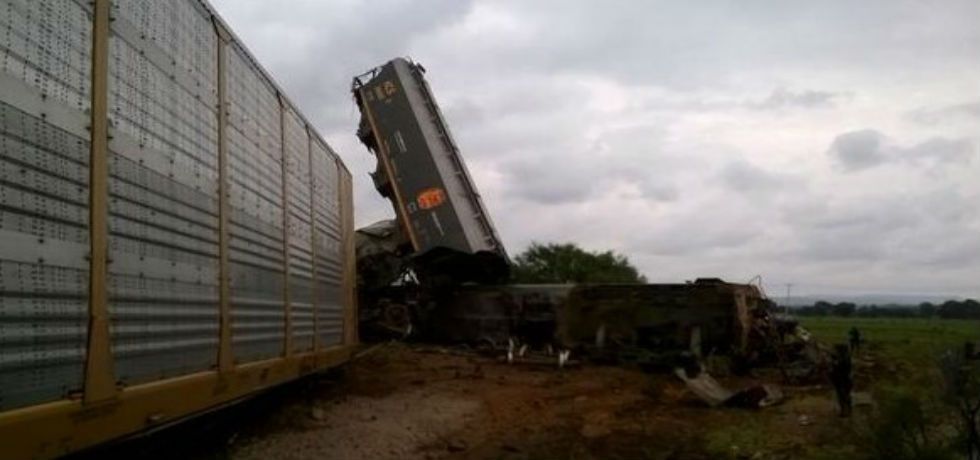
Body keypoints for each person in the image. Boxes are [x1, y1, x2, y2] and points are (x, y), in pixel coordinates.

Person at [829, 344, 853, 417]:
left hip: (842, 380)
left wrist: (834, 363)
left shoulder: (843, 360)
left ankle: (844, 410)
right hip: (844, 380)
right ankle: (847, 410)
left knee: (843, 396)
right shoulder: (846, 359)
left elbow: (838, 367)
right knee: (844, 395)